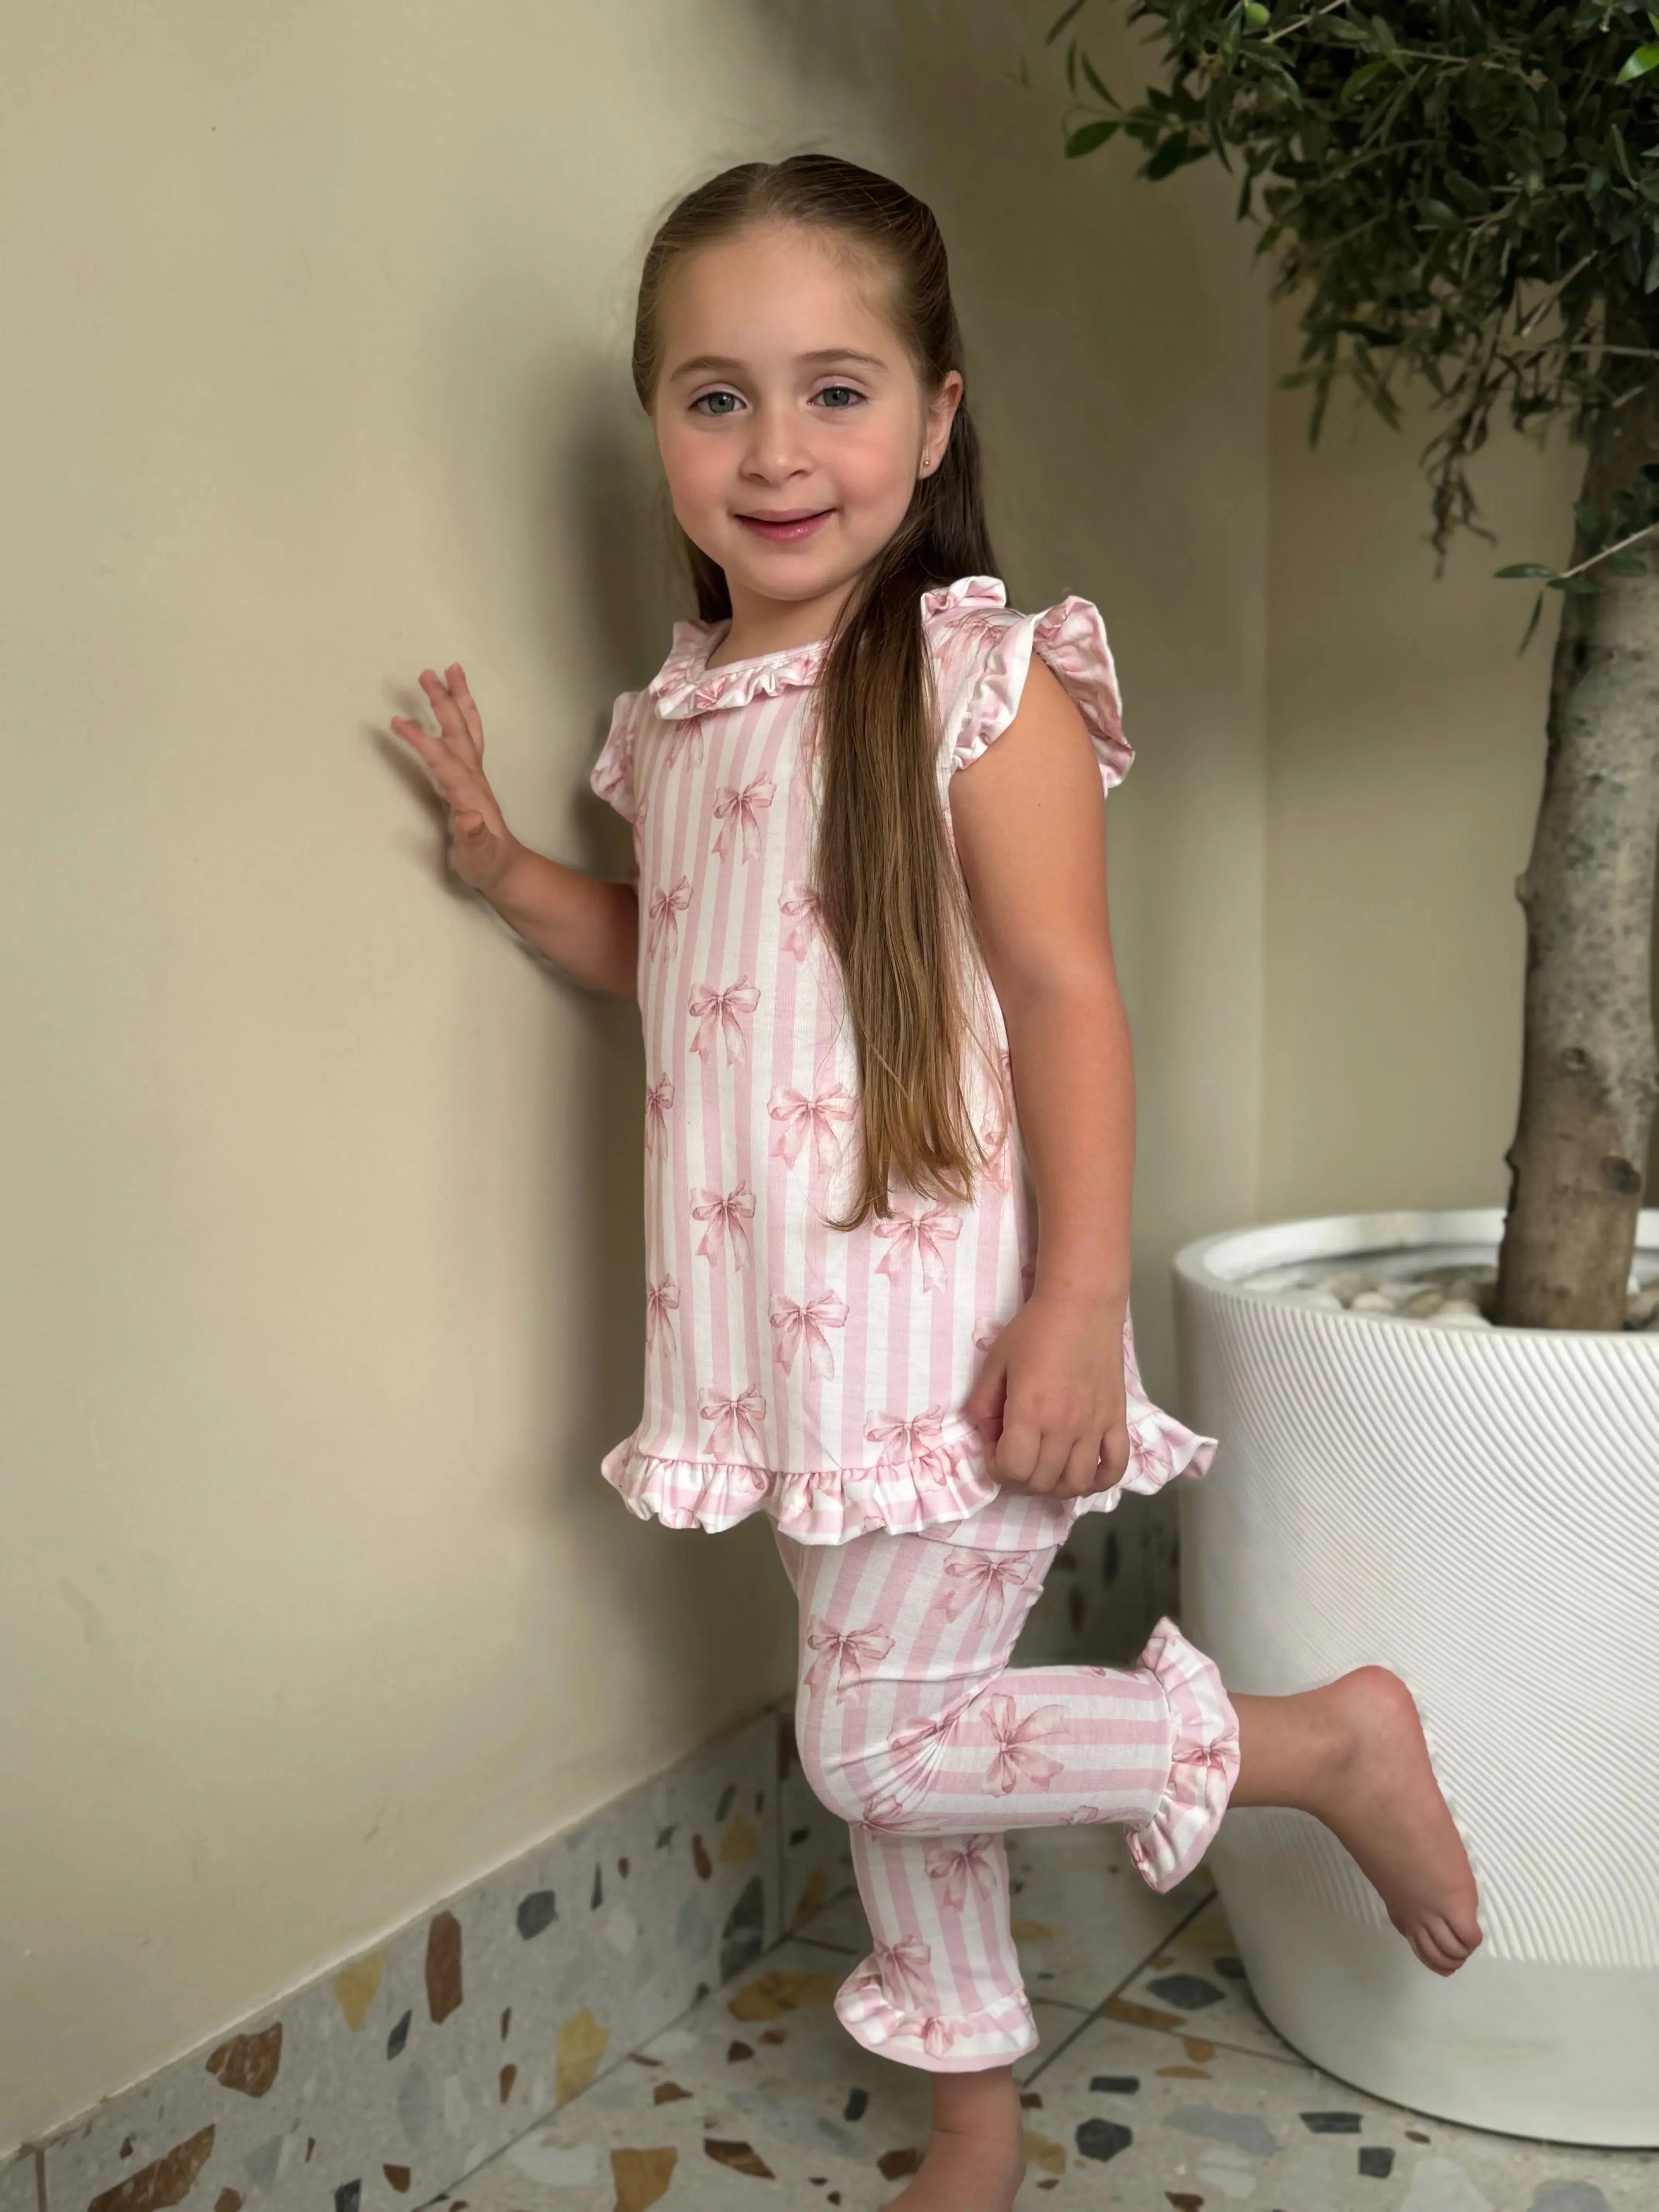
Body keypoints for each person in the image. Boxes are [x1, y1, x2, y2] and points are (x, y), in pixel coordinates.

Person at [389, 152, 1482, 2212]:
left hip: (952, 1343)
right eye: (715, 397)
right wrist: (508, 871)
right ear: (655, 428)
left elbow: (1072, 997)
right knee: (910, 1726)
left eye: (836, 390)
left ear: (938, 417)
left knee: (875, 1741)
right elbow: (687, 964)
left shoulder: (983, 685)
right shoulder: (687, 714)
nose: (777, 450)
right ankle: (976, 2123)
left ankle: (1321, 1745)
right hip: (778, 1361)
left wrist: (1079, 1308)